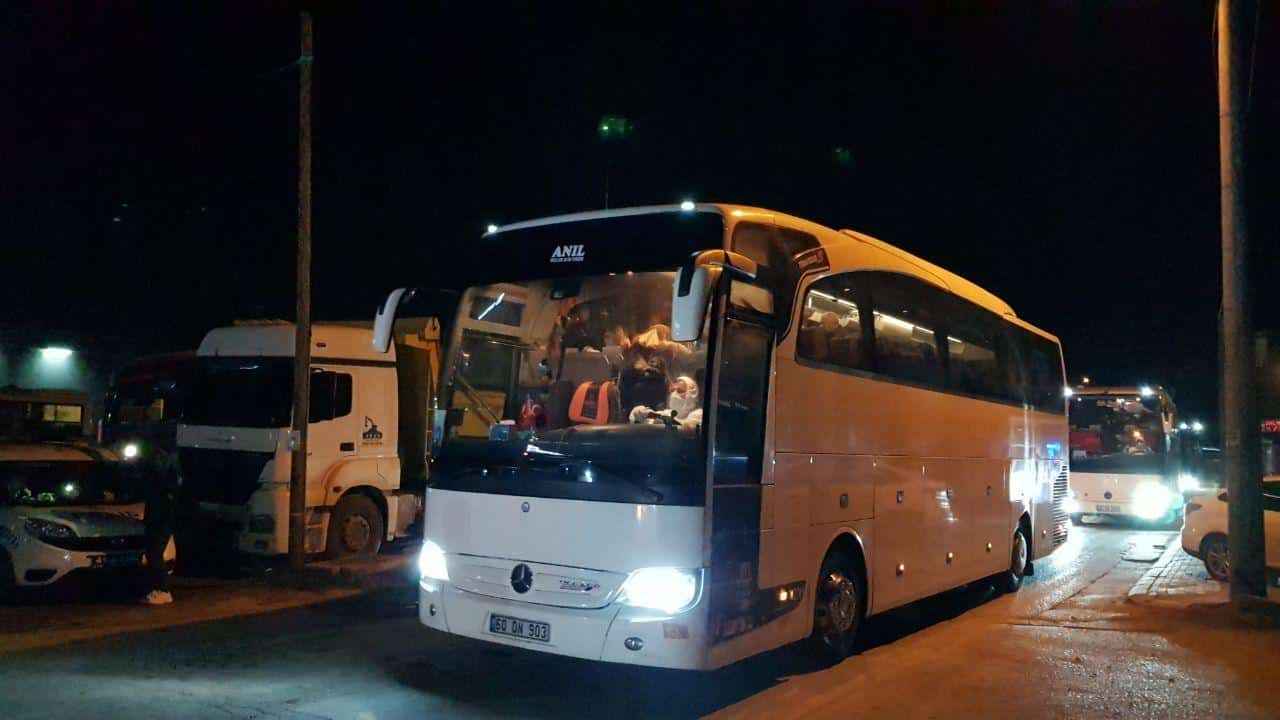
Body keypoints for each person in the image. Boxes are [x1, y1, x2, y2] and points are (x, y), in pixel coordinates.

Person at [140, 448, 177, 605]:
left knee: (155, 555)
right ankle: (158, 589)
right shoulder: (162, 481)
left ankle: (163, 590)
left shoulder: (163, 483)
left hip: (160, 522)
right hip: (157, 521)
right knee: (153, 555)